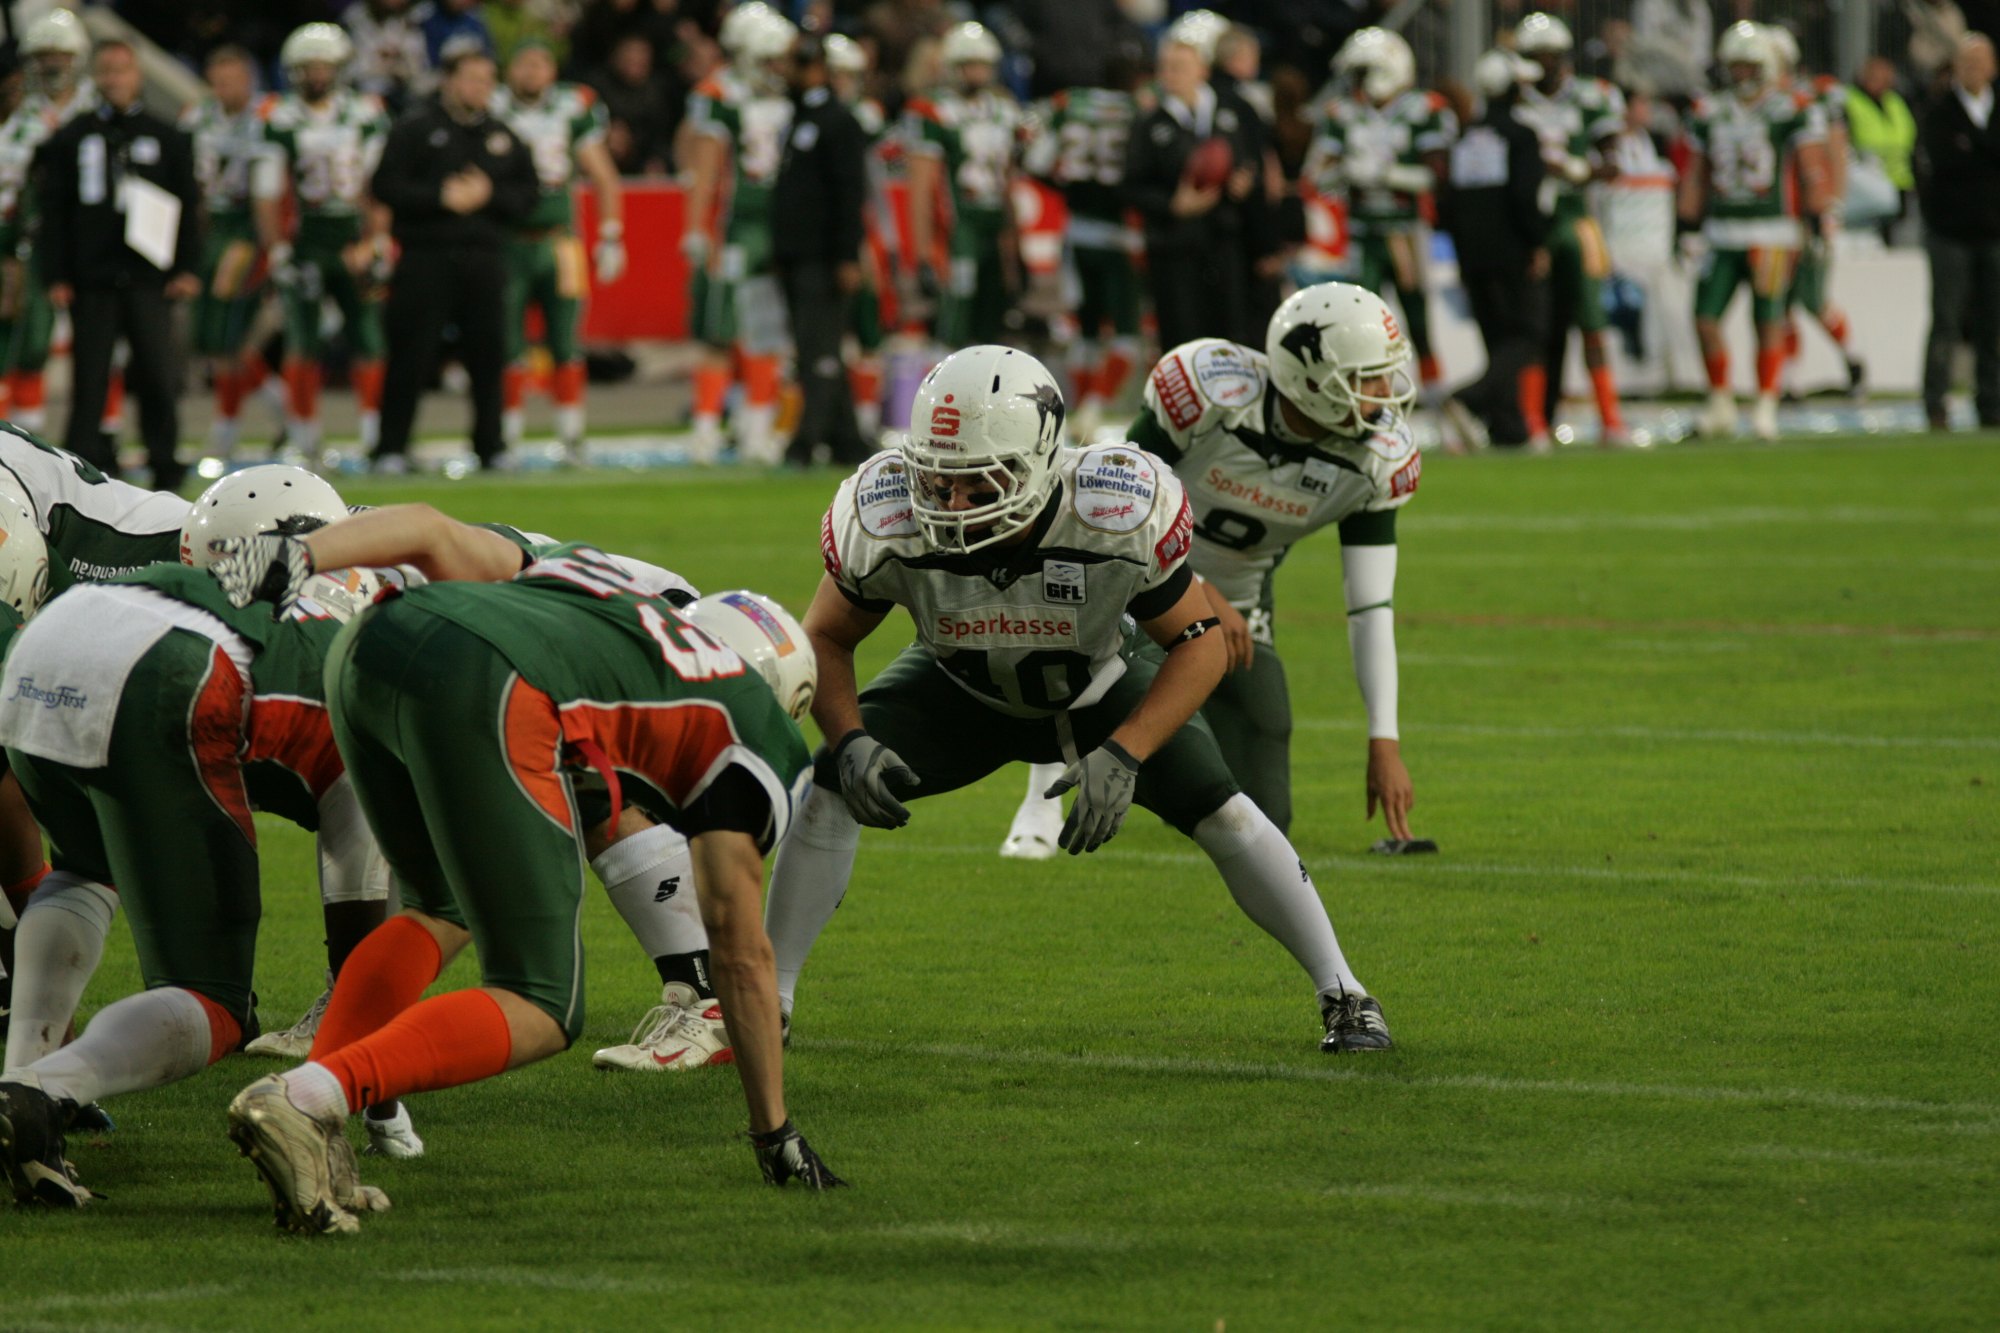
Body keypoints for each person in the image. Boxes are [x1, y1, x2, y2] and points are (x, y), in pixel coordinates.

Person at [206, 511, 841, 1233]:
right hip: (492, 685)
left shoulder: (597, 582)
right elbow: (741, 956)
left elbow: (431, 532)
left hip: (366, 644)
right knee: (541, 997)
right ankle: (308, 1097)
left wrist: (299, 553)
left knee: (439, 906)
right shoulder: (755, 732)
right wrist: (772, 1127)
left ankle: (312, 1124)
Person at [765, 344, 1393, 1057]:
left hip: (1099, 681)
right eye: (938, 480)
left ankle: (1346, 993)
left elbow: (1202, 641)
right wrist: (850, 739)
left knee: (1221, 807)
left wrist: (1127, 750)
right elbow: (824, 635)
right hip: (957, 685)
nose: (952, 503)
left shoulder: (1111, 506)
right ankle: (764, 998)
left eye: (978, 481)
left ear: (1039, 461)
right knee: (830, 784)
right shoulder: (885, 512)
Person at [0, 482, 408, 1209]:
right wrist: (376, 1101)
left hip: (54, 638)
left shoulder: (269, 588)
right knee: (217, 1002)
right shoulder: (383, 677)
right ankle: (42, 1092)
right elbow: (359, 922)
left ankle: (19, 1080)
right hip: (171, 671)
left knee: (83, 869)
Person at [997, 283, 1423, 862]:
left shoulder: (1378, 459)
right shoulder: (1211, 392)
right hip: (1131, 581)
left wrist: (1384, 740)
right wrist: (1197, 587)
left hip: (1242, 613)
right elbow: (1114, 502)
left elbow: (1370, 607)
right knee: (1086, 650)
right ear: (1311, 378)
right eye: (1367, 380)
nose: (1385, 394)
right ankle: (1042, 795)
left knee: (1265, 814)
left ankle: (1151, 765)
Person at [36, 39, 201, 490]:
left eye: (121, 70)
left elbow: (189, 204)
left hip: (150, 278)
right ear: (95, 76)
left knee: (157, 375)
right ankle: (79, 470)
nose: (114, 79)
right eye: (106, 70)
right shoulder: (73, 137)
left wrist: (186, 267)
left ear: (137, 75)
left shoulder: (165, 136)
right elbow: (55, 211)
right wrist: (57, 274)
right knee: (89, 379)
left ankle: (165, 466)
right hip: (92, 279)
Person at [369, 44, 539, 471]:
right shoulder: (415, 128)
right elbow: (384, 185)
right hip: (426, 256)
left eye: (487, 80)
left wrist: (489, 195)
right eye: (472, 78)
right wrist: (439, 197)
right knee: (411, 354)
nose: (480, 88)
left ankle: (491, 446)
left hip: (484, 258)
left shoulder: (502, 136)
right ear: (448, 81)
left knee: (488, 355)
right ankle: (391, 448)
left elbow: (529, 196)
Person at [1679, 23, 1830, 441]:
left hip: (1771, 232)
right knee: (1705, 318)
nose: (1741, 74)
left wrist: (1817, 218)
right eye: (1736, 66)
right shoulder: (1709, 110)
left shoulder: (1790, 107)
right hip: (1722, 230)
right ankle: (1720, 402)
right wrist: (1685, 223)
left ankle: (1766, 403)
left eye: (1749, 66)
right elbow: (1696, 173)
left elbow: (1810, 167)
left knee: (1768, 320)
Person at [255, 24, 393, 460]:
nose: (317, 75)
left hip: (352, 240)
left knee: (368, 337)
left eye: (324, 66)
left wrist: (377, 238)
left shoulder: (365, 113)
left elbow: (377, 185)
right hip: (307, 241)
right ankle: (304, 435)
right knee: (302, 341)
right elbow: (266, 190)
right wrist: (277, 247)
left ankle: (374, 433)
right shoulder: (279, 117)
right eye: (308, 67)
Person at [492, 40, 627, 462]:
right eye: (524, 63)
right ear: (510, 69)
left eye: (541, 63)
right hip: (507, 241)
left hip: (559, 242)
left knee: (566, 340)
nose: (532, 72)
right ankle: (506, 435)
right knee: (506, 343)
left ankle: (571, 434)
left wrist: (611, 234)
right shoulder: (493, 106)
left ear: (553, 70)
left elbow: (603, 174)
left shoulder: (573, 106)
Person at [1307, 27, 1457, 406]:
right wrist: (1345, 172)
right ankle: (1367, 401)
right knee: (1362, 324)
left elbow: (1437, 177)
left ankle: (1437, 401)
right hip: (1361, 231)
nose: (1355, 84)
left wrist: (1386, 174)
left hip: (1406, 231)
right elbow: (1318, 178)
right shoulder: (1343, 113)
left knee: (1418, 321)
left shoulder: (1424, 109)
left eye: (1362, 73)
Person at [681, 6, 797, 463]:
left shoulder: (792, 94)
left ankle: (757, 429)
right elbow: (705, 169)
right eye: (769, 58)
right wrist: (697, 227)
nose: (778, 67)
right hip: (735, 227)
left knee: (768, 331)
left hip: (780, 225)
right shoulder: (719, 94)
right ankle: (705, 431)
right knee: (720, 330)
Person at [1513, 12, 1629, 447]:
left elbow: (1613, 165)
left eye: (1548, 55)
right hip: (1532, 226)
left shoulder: (1592, 96)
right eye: (1534, 56)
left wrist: (1579, 169)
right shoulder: (1514, 101)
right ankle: (1533, 423)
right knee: (1534, 325)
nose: (1542, 64)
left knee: (1592, 322)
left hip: (1577, 219)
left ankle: (1610, 419)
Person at [1029, 50, 1148, 440]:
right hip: (1121, 233)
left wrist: (1069, 189)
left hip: (1077, 230)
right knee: (1126, 329)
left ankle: (1078, 409)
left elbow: (1036, 161)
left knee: (1086, 328)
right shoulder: (1140, 109)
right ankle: (1096, 405)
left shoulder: (1070, 104)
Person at [1124, 16, 1259, 354]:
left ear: (1203, 70)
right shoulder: (1149, 123)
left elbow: (1250, 164)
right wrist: (1172, 204)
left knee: (1230, 337)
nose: (1170, 74)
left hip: (1224, 241)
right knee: (1182, 338)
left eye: (1179, 67)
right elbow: (1131, 186)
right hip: (1173, 246)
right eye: (1165, 67)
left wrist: (1244, 184)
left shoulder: (1229, 114)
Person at [1439, 49, 1551, 450]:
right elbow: (1524, 196)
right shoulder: (1520, 136)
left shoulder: (1465, 136)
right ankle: (1470, 397)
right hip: (1511, 251)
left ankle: (1507, 427)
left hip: (1471, 253)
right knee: (1528, 333)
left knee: (1495, 336)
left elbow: (1448, 202)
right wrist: (1536, 242)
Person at [772, 34, 870, 468]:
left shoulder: (838, 121)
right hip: (800, 256)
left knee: (819, 353)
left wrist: (847, 255)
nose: (784, 72)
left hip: (824, 258)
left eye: (791, 63)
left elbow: (850, 194)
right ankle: (847, 440)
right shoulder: (803, 117)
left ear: (813, 67)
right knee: (818, 349)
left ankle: (805, 443)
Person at [0, 8, 97, 437]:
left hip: (94, 241)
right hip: (37, 242)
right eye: (43, 56)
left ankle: (104, 436)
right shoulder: (19, 118)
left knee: (104, 347)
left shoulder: (97, 107)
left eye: (60, 54)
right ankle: (25, 444)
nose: (52, 64)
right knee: (28, 340)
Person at [181, 46, 275, 461]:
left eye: (233, 80)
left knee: (227, 334)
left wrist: (272, 242)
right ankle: (280, 408)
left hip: (245, 230)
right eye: (218, 82)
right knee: (210, 337)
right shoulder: (196, 117)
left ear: (249, 80)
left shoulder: (268, 118)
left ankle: (227, 427)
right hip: (207, 231)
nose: (225, 89)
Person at [904, 23, 1023, 350]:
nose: (977, 73)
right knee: (955, 316)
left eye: (982, 65)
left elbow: (1009, 182)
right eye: (969, 64)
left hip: (993, 224)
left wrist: (1013, 245)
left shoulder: (1004, 110)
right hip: (958, 228)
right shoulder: (932, 110)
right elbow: (921, 186)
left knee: (993, 319)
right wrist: (923, 252)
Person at [1768, 27, 1865, 400]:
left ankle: (1853, 359)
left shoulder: (1815, 97)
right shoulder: (1759, 105)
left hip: (1807, 215)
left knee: (1813, 298)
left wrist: (1830, 206)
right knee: (1780, 301)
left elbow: (1836, 150)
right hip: (1777, 217)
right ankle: (1789, 380)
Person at [1916, 33, 2000, 430]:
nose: (1974, 70)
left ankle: (1992, 404)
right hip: (1949, 233)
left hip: (1995, 233)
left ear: (1993, 68)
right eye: (1967, 63)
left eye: (1980, 62)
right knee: (1946, 321)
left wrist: (1973, 154)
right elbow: (1941, 166)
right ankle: (1936, 404)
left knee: (1993, 323)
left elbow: (1964, 162)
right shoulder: (1939, 112)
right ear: (1955, 69)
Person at [1847, 57, 1918, 243]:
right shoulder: (1850, 101)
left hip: (1900, 180)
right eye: (1876, 77)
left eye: (1887, 78)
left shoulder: (1895, 101)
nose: (1883, 82)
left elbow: (1909, 135)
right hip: (1868, 182)